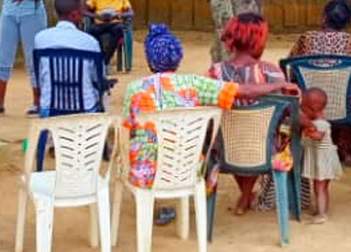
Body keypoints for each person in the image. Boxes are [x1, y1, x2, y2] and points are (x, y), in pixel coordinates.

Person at [123, 24, 295, 190]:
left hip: (145, 172)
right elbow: (243, 91)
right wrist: (276, 86)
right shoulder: (195, 84)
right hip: (187, 169)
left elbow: (126, 128)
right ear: (178, 57)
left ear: (148, 58)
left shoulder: (134, 88)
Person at [288, 0, 351, 201]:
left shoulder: (305, 39)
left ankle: (297, 171)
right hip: (347, 109)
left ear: (323, 18)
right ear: (347, 23)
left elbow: (291, 72)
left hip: (310, 109)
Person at [206, 12, 293, 215]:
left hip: (224, 150)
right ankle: (246, 195)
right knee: (272, 133)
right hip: (264, 150)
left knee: (231, 136)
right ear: (259, 40)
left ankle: (244, 195)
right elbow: (285, 113)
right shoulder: (272, 73)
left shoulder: (215, 73)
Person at [34, 0, 104, 115]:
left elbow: (40, 77)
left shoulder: (40, 39)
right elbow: (98, 79)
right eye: (81, 14)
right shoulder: (90, 43)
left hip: (49, 109)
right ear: (74, 15)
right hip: (85, 110)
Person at [299, 88, 340, 225]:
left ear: (312, 109)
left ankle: (322, 214)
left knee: (319, 188)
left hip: (323, 161)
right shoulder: (317, 121)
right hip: (322, 160)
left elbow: (319, 136)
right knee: (321, 187)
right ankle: (320, 210)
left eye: (304, 109)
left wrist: (308, 132)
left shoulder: (320, 123)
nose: (303, 112)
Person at [85, 0, 134, 66]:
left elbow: (131, 13)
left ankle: (106, 58)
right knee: (92, 30)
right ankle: (101, 55)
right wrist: (97, 16)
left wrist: (117, 15)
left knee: (119, 29)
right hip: (100, 23)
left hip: (115, 23)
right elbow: (83, 10)